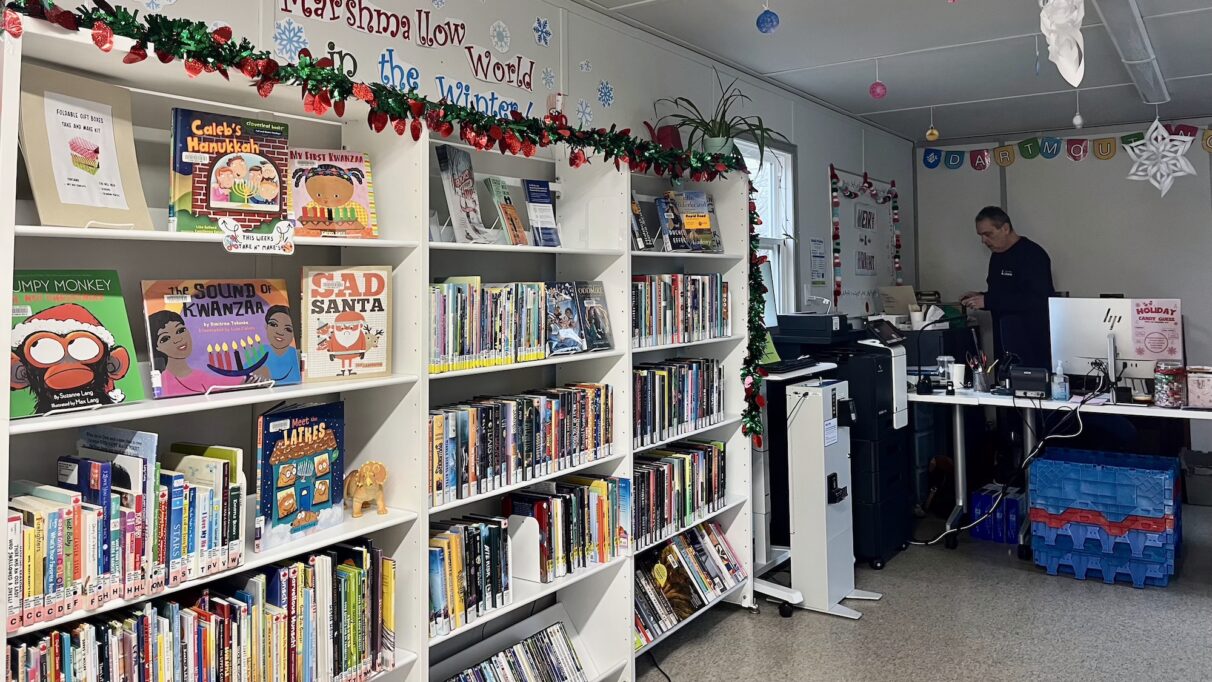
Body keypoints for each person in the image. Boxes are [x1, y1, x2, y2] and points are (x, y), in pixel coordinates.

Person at [961, 206, 1054, 368]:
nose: (984, 241)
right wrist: (979, 297)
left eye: (988, 234)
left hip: (1031, 344)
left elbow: (1037, 299)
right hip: (1003, 343)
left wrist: (988, 300)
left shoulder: (1033, 255)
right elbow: (1002, 295)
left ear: (1005, 228)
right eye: (980, 235)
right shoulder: (996, 256)